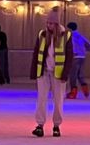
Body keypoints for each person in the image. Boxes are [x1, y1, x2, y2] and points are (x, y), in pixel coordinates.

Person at [29, 8, 73, 138]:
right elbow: (36, 53)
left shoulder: (66, 36)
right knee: (41, 99)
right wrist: (33, 71)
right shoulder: (42, 34)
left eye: (51, 23)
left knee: (58, 100)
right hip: (43, 72)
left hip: (58, 74)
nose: (48, 26)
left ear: (57, 24)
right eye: (47, 23)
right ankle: (40, 125)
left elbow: (69, 56)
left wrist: (65, 73)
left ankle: (56, 125)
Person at [65, 21, 90, 99]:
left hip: (75, 58)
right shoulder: (80, 36)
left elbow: (70, 47)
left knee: (73, 76)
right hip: (82, 57)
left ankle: (73, 93)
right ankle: (86, 91)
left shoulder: (70, 36)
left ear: (69, 28)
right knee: (80, 75)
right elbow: (88, 44)